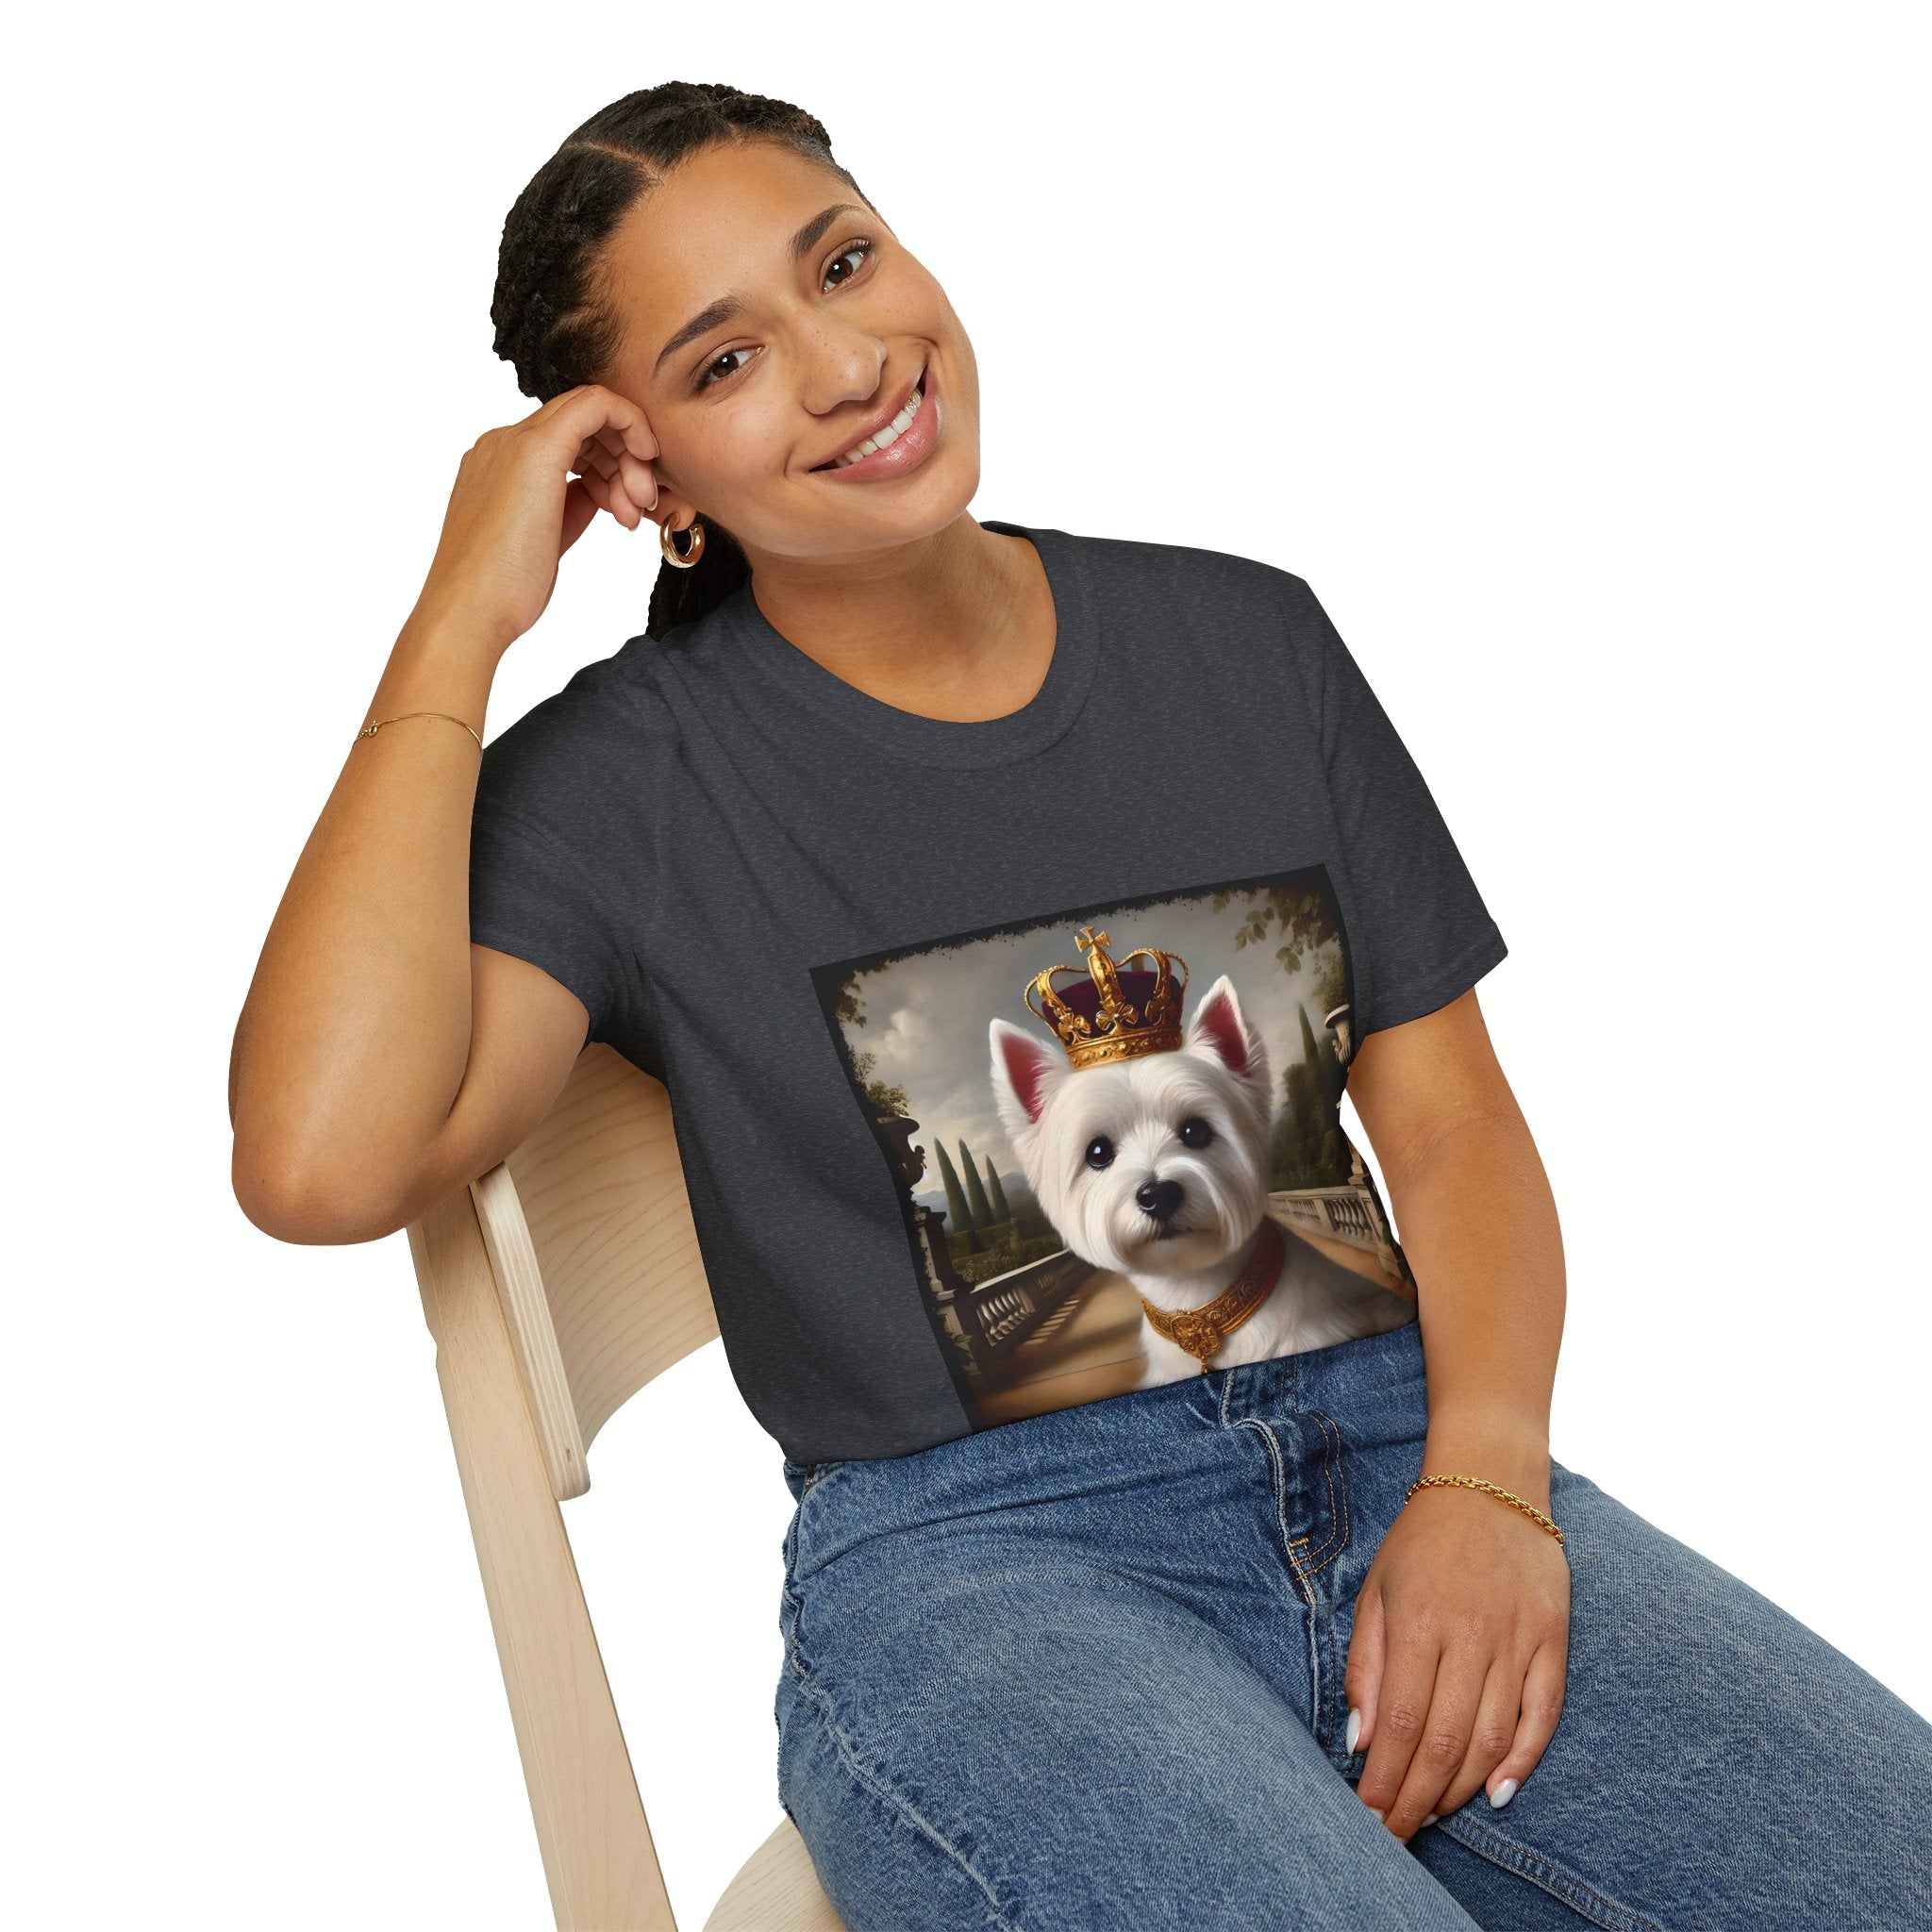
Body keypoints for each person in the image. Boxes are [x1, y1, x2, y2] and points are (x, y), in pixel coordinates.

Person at [228, 80, 1932, 1932]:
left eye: (843, 264)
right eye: (725, 361)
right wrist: (458, 619)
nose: (846, 365)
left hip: (1409, 1450)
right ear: (651, 483)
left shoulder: (1248, 643)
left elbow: (1452, 1132)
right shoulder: (630, 781)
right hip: (987, 1571)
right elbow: (320, 1161)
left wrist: (1490, 1486)